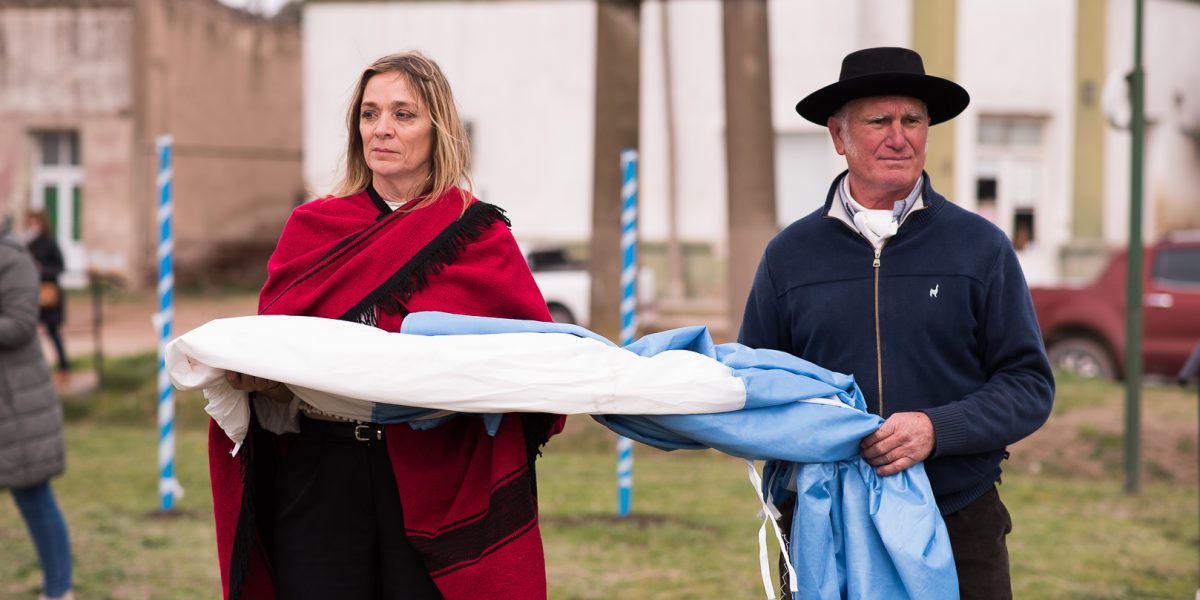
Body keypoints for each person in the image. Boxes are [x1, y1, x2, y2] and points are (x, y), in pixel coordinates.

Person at [212, 51, 561, 600]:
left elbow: (527, 361)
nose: (382, 129)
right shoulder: (314, 228)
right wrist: (255, 379)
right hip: (322, 471)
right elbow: (278, 363)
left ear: (437, 128)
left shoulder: (476, 234)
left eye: (403, 114)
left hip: (436, 475)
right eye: (370, 114)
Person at [739, 47, 1054, 599]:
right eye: (878, 121)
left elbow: (1028, 386)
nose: (898, 137)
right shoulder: (789, 256)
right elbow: (756, 385)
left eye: (912, 120)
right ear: (838, 136)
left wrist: (936, 429)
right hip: (824, 525)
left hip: (958, 519)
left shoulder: (980, 247)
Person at [1, 217, 75, 600]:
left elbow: (20, 323)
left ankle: (59, 590)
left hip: (17, 402)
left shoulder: (11, 258)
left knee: (34, 496)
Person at [24, 211, 70, 381]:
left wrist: (41, 270)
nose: (33, 227)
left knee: (53, 332)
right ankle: (34, 371)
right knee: (29, 334)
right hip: (32, 294)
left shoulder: (50, 242)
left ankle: (64, 368)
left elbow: (60, 267)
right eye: (31, 223)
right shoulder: (28, 243)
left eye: (36, 223)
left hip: (49, 295)